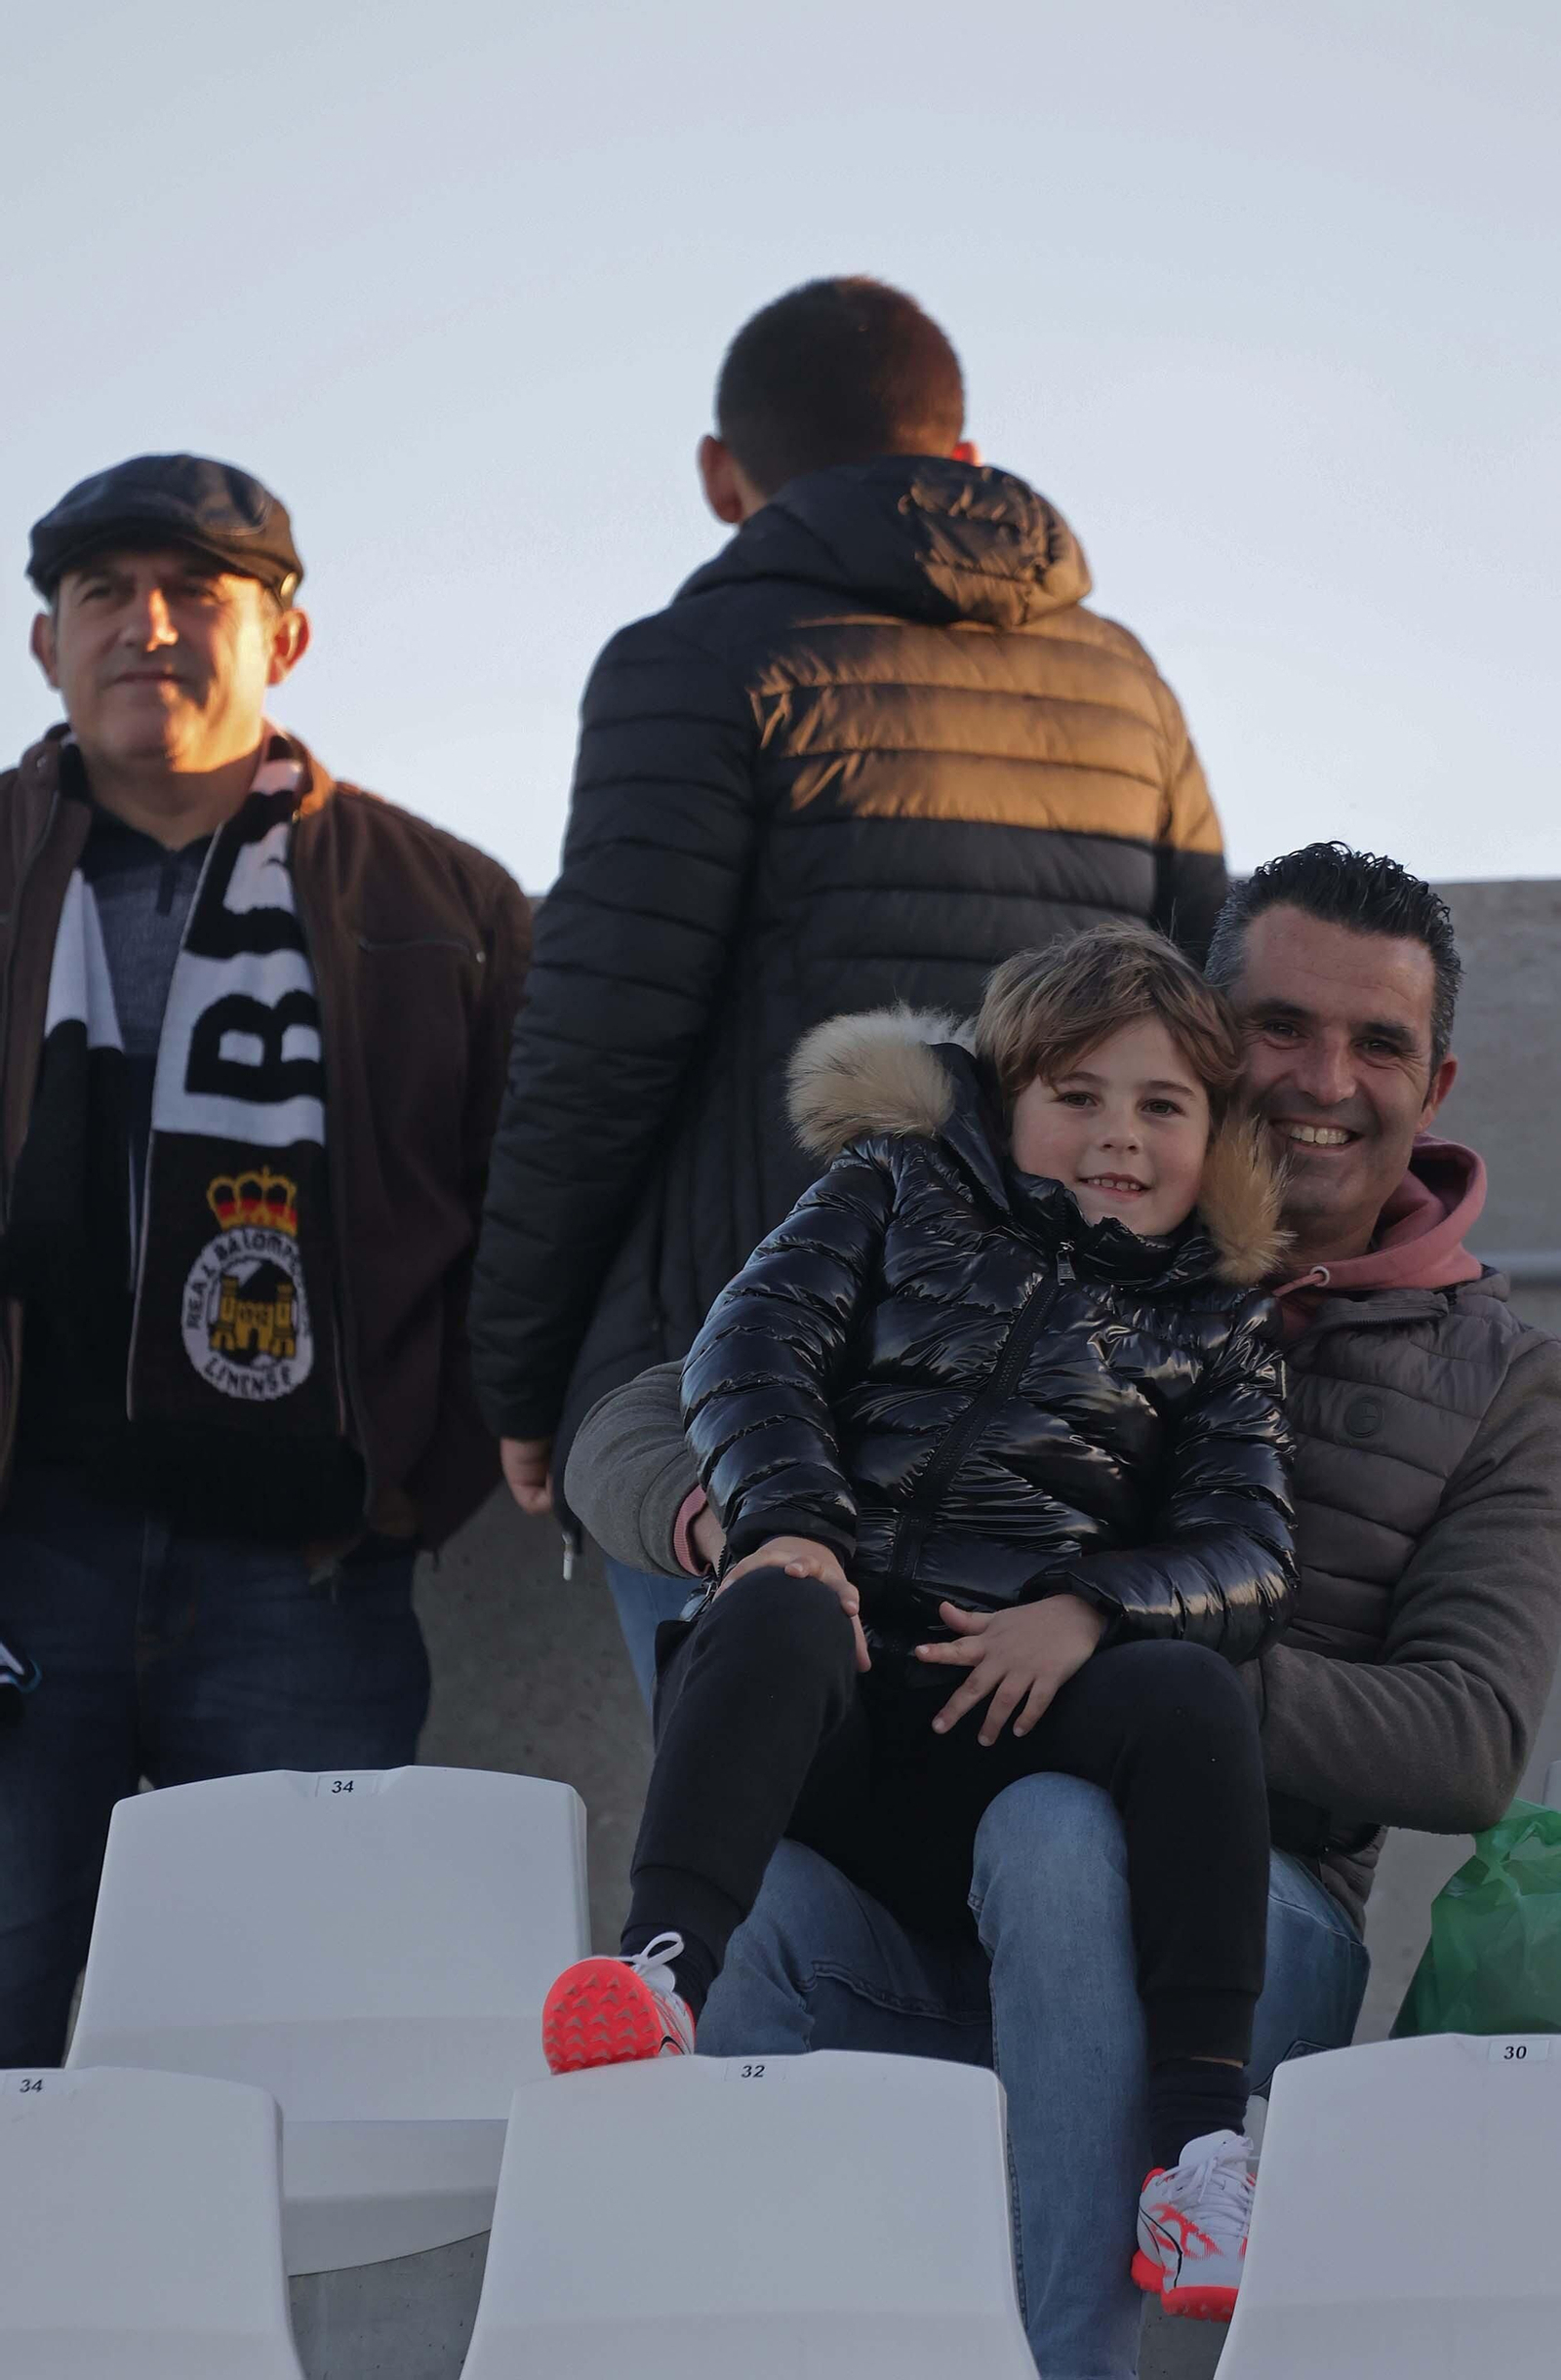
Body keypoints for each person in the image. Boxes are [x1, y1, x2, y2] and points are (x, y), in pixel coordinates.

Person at [563, 844, 1561, 2380]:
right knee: (765, 1866)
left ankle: (1070, 2357)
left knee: (1056, 1823)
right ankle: (682, 2330)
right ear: (1202, 1026)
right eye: (1281, 1027)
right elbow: (640, 1423)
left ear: (1433, 1087)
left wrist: (1107, 1646)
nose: (1321, 1080)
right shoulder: (969, 1198)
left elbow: (1471, 1740)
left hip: (1229, 1892)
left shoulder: (1497, 1373)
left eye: (1378, 1046)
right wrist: (767, 1539)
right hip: (912, 1822)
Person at [468, 274, 1228, 1699]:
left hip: (757, 1394)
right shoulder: (1125, 681)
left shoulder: (694, 662)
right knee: (1030, 1861)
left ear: (721, 474)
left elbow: (592, 1052)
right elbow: (1203, 1023)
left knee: (766, 1863)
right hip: (1076, 1407)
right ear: (961, 450)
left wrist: (522, 1383)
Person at [544, 924, 1295, 2320]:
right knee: (764, 1609)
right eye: (1077, 1095)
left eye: (1162, 1107)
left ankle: (1197, 2152)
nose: (1117, 1139)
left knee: (1191, 1698)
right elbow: (747, 1347)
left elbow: (1250, 1549)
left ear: (1215, 1134)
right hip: (843, 1674)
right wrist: (791, 1526)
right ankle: (658, 1975)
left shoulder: (1214, 1324)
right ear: (1006, 1099)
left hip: (1015, 1699)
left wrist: (1090, 1607)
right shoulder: (894, 1188)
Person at [0, 453, 529, 2068]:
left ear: (282, 641)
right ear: (46, 645)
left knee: (285, 2075)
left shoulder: (449, 903)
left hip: (308, 1578)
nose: (147, 628)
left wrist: (414, 1485)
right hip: (27, 1555)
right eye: (106, 594)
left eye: (195, 594)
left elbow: (527, 1218)